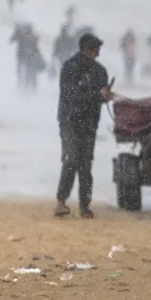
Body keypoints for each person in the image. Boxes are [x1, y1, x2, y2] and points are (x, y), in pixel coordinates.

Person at [54, 33, 113, 219]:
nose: (99, 51)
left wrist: (105, 96)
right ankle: (61, 201)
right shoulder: (70, 67)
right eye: (97, 48)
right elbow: (71, 95)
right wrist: (97, 96)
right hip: (69, 121)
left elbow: (100, 96)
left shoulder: (100, 71)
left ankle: (84, 206)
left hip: (89, 123)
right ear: (88, 48)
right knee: (71, 160)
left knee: (86, 164)